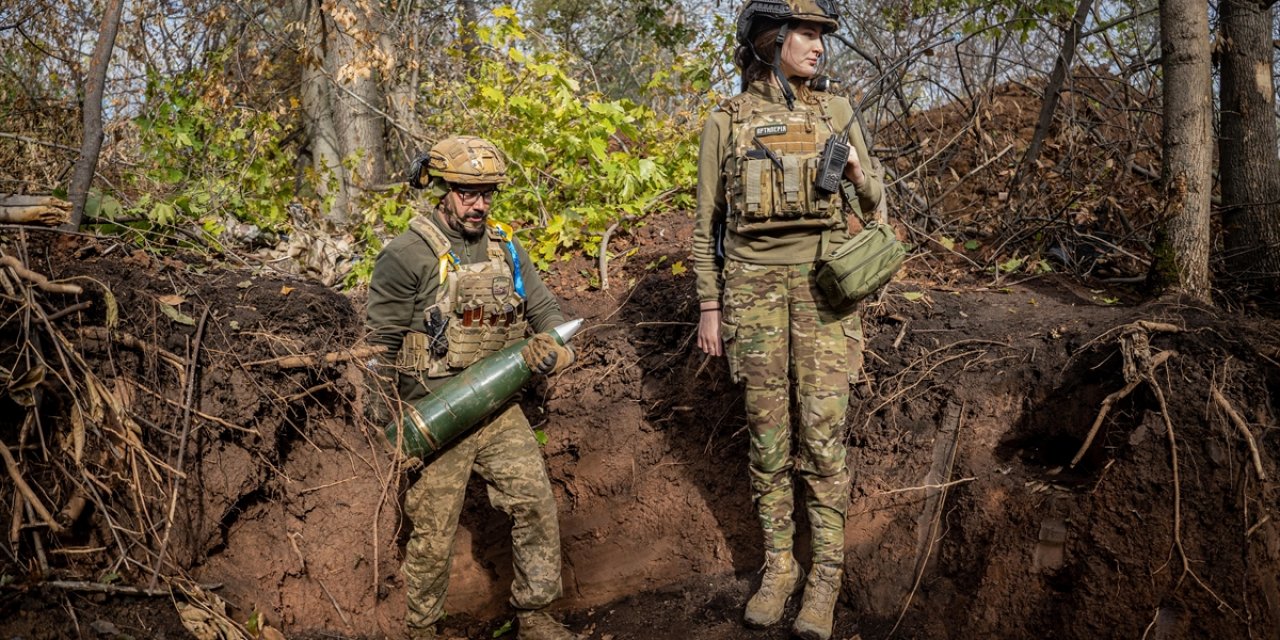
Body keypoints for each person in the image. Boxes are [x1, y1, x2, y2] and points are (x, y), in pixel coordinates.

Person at [691, 2, 884, 639]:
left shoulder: (836, 111)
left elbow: (876, 205)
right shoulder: (725, 119)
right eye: (806, 34)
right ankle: (780, 567)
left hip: (824, 294)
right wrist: (710, 306)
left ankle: (826, 576)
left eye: (822, 35)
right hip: (752, 295)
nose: (818, 46)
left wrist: (857, 173)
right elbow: (706, 227)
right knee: (768, 443)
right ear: (771, 41)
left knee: (824, 442)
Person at [366, 136, 581, 640]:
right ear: (442, 190)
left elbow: (546, 312)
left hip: (498, 405)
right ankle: (421, 629)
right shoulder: (406, 255)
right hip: (435, 413)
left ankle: (535, 616)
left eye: (487, 193)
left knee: (535, 505)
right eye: (467, 193)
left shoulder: (506, 247)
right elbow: (379, 348)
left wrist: (555, 351)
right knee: (433, 533)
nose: (479, 204)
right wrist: (384, 426)